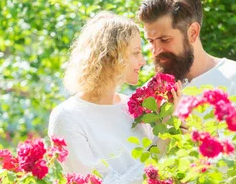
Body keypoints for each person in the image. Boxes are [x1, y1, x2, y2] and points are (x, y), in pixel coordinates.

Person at [47, 11, 176, 183]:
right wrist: (163, 134)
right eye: (136, 52)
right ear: (111, 56)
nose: (143, 61)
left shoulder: (129, 106)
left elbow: (159, 166)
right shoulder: (67, 117)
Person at [136, 0, 236, 116]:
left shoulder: (235, 79)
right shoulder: (152, 92)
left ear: (193, 33)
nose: (156, 51)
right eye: (151, 41)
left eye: (165, 40)